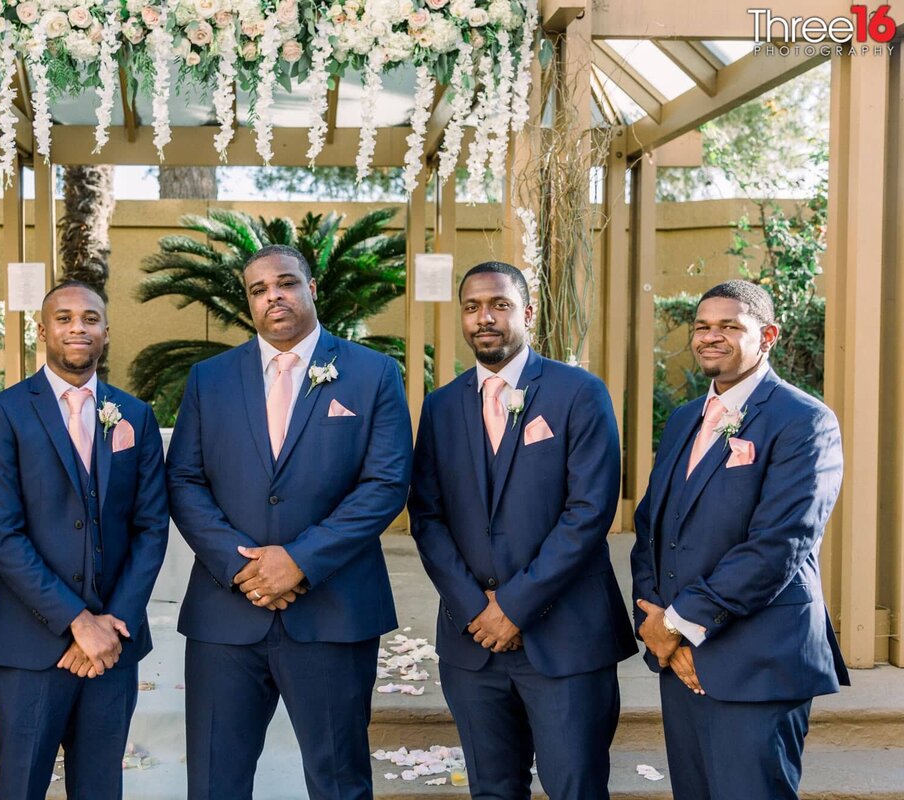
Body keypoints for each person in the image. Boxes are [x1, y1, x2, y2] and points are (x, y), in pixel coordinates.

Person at [166, 244, 412, 800]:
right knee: (214, 782)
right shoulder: (210, 379)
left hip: (333, 611)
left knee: (339, 782)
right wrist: (239, 565)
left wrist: (299, 561)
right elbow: (184, 480)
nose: (272, 297)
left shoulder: (373, 374)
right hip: (225, 615)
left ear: (312, 288)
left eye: (285, 283)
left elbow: (385, 485)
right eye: (258, 290)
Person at [409, 261, 636, 800]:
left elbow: (588, 513)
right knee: (491, 790)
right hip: (473, 645)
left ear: (528, 313)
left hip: (566, 639)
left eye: (500, 305)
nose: (484, 318)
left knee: (575, 789)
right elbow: (427, 516)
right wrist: (475, 608)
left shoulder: (579, 392)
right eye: (472, 307)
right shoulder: (441, 407)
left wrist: (512, 607)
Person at [631, 279, 848, 800]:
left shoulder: (805, 420)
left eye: (730, 325)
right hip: (678, 658)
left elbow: (780, 543)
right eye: (703, 326)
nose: (711, 336)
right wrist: (656, 625)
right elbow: (651, 530)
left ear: (767, 335)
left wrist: (679, 624)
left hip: (760, 660)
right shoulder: (685, 418)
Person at [0, 280, 168, 800]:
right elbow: (1, 532)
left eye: (89, 318)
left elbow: (151, 529)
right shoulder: (4, 413)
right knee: (21, 787)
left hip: (112, 647)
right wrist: (77, 621)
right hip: (34, 643)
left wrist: (112, 625)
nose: (77, 327)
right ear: (42, 329)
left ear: (106, 331)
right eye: (63, 318)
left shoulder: (135, 416)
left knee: (101, 787)